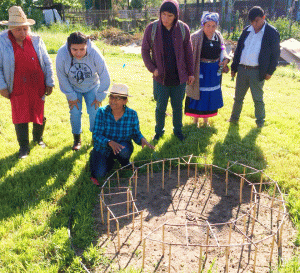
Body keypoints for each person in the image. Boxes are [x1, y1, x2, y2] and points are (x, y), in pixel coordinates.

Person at [0, 6, 54, 159]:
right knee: (20, 115)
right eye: (18, 30)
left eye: (25, 29)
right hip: (17, 86)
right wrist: (2, 87)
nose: (23, 33)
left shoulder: (36, 40)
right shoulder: (2, 42)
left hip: (37, 84)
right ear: (10, 29)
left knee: (38, 111)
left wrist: (49, 82)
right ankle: (23, 147)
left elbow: (47, 62)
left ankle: (38, 139)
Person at [141, 0, 194, 141]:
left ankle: (178, 130)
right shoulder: (151, 29)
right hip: (161, 79)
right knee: (160, 107)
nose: (165, 19)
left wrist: (191, 73)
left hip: (179, 78)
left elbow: (189, 53)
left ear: (176, 15)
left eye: (170, 15)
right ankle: (159, 131)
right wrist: (153, 69)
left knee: (177, 107)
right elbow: (145, 51)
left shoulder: (183, 29)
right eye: (163, 14)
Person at [90, 84, 155, 184]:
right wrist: (109, 142)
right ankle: (106, 159)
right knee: (99, 174)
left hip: (122, 146)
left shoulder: (132, 114)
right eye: (111, 97)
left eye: (118, 98)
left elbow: (136, 133)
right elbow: (96, 135)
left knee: (124, 151)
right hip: (103, 148)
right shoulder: (102, 112)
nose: (113, 100)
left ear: (125, 101)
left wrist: (142, 139)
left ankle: (124, 163)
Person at [56, 32, 110, 151]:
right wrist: (71, 95)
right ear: (69, 47)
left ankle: (95, 137)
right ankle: (77, 139)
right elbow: (61, 77)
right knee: (75, 112)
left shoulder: (95, 53)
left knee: (94, 111)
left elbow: (105, 76)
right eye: (74, 50)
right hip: (72, 87)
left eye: (82, 49)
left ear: (87, 46)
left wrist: (100, 96)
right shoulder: (61, 54)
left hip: (92, 86)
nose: (78, 53)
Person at [229, 6, 280, 128]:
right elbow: (238, 51)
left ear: (263, 17)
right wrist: (234, 67)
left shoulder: (271, 32)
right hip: (242, 69)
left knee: (257, 99)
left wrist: (270, 72)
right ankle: (234, 118)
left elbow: (275, 54)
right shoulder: (247, 30)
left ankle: (260, 121)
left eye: (256, 21)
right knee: (238, 97)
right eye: (252, 21)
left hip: (257, 71)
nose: (254, 24)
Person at [185, 12, 230, 127]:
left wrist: (225, 59)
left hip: (214, 71)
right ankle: (196, 121)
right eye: (208, 25)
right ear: (203, 25)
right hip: (200, 69)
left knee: (210, 95)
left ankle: (206, 120)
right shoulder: (195, 37)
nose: (211, 29)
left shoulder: (218, 36)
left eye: (213, 26)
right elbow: (189, 55)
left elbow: (223, 49)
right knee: (198, 93)